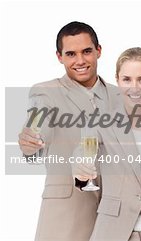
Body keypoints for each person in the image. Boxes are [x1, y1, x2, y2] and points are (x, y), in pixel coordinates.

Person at [17, 21, 121, 241]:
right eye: (71, 54)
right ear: (59, 57)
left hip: (115, 219)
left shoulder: (121, 95)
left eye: (87, 52)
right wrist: (30, 144)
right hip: (65, 218)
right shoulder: (45, 93)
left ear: (99, 51)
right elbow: (37, 125)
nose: (80, 61)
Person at [74, 47, 141, 241]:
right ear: (117, 80)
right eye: (127, 79)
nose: (134, 87)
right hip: (112, 232)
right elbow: (82, 152)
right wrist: (80, 169)